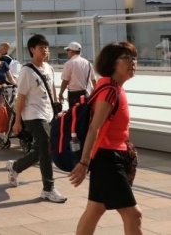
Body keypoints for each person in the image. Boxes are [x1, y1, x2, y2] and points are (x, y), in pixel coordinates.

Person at [69, 42, 142, 235]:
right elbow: (95, 127)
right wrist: (84, 163)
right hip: (108, 158)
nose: (132, 62)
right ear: (112, 63)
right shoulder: (110, 89)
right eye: (126, 58)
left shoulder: (115, 87)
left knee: (95, 209)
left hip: (110, 155)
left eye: (133, 58)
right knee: (133, 214)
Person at [6, 34, 67, 203]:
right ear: (32, 50)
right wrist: (18, 121)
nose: (46, 50)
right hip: (33, 116)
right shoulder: (26, 71)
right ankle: (48, 188)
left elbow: (52, 87)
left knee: (42, 149)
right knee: (47, 146)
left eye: (47, 47)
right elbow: (21, 98)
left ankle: (16, 166)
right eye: (42, 48)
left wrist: (56, 106)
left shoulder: (49, 68)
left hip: (48, 114)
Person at [59, 42, 97, 108]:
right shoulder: (88, 63)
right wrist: (96, 93)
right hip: (86, 94)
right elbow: (93, 80)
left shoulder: (69, 63)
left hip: (73, 95)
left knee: (74, 115)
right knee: (85, 115)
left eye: (68, 50)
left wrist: (61, 93)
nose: (67, 52)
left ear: (71, 51)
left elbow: (65, 81)